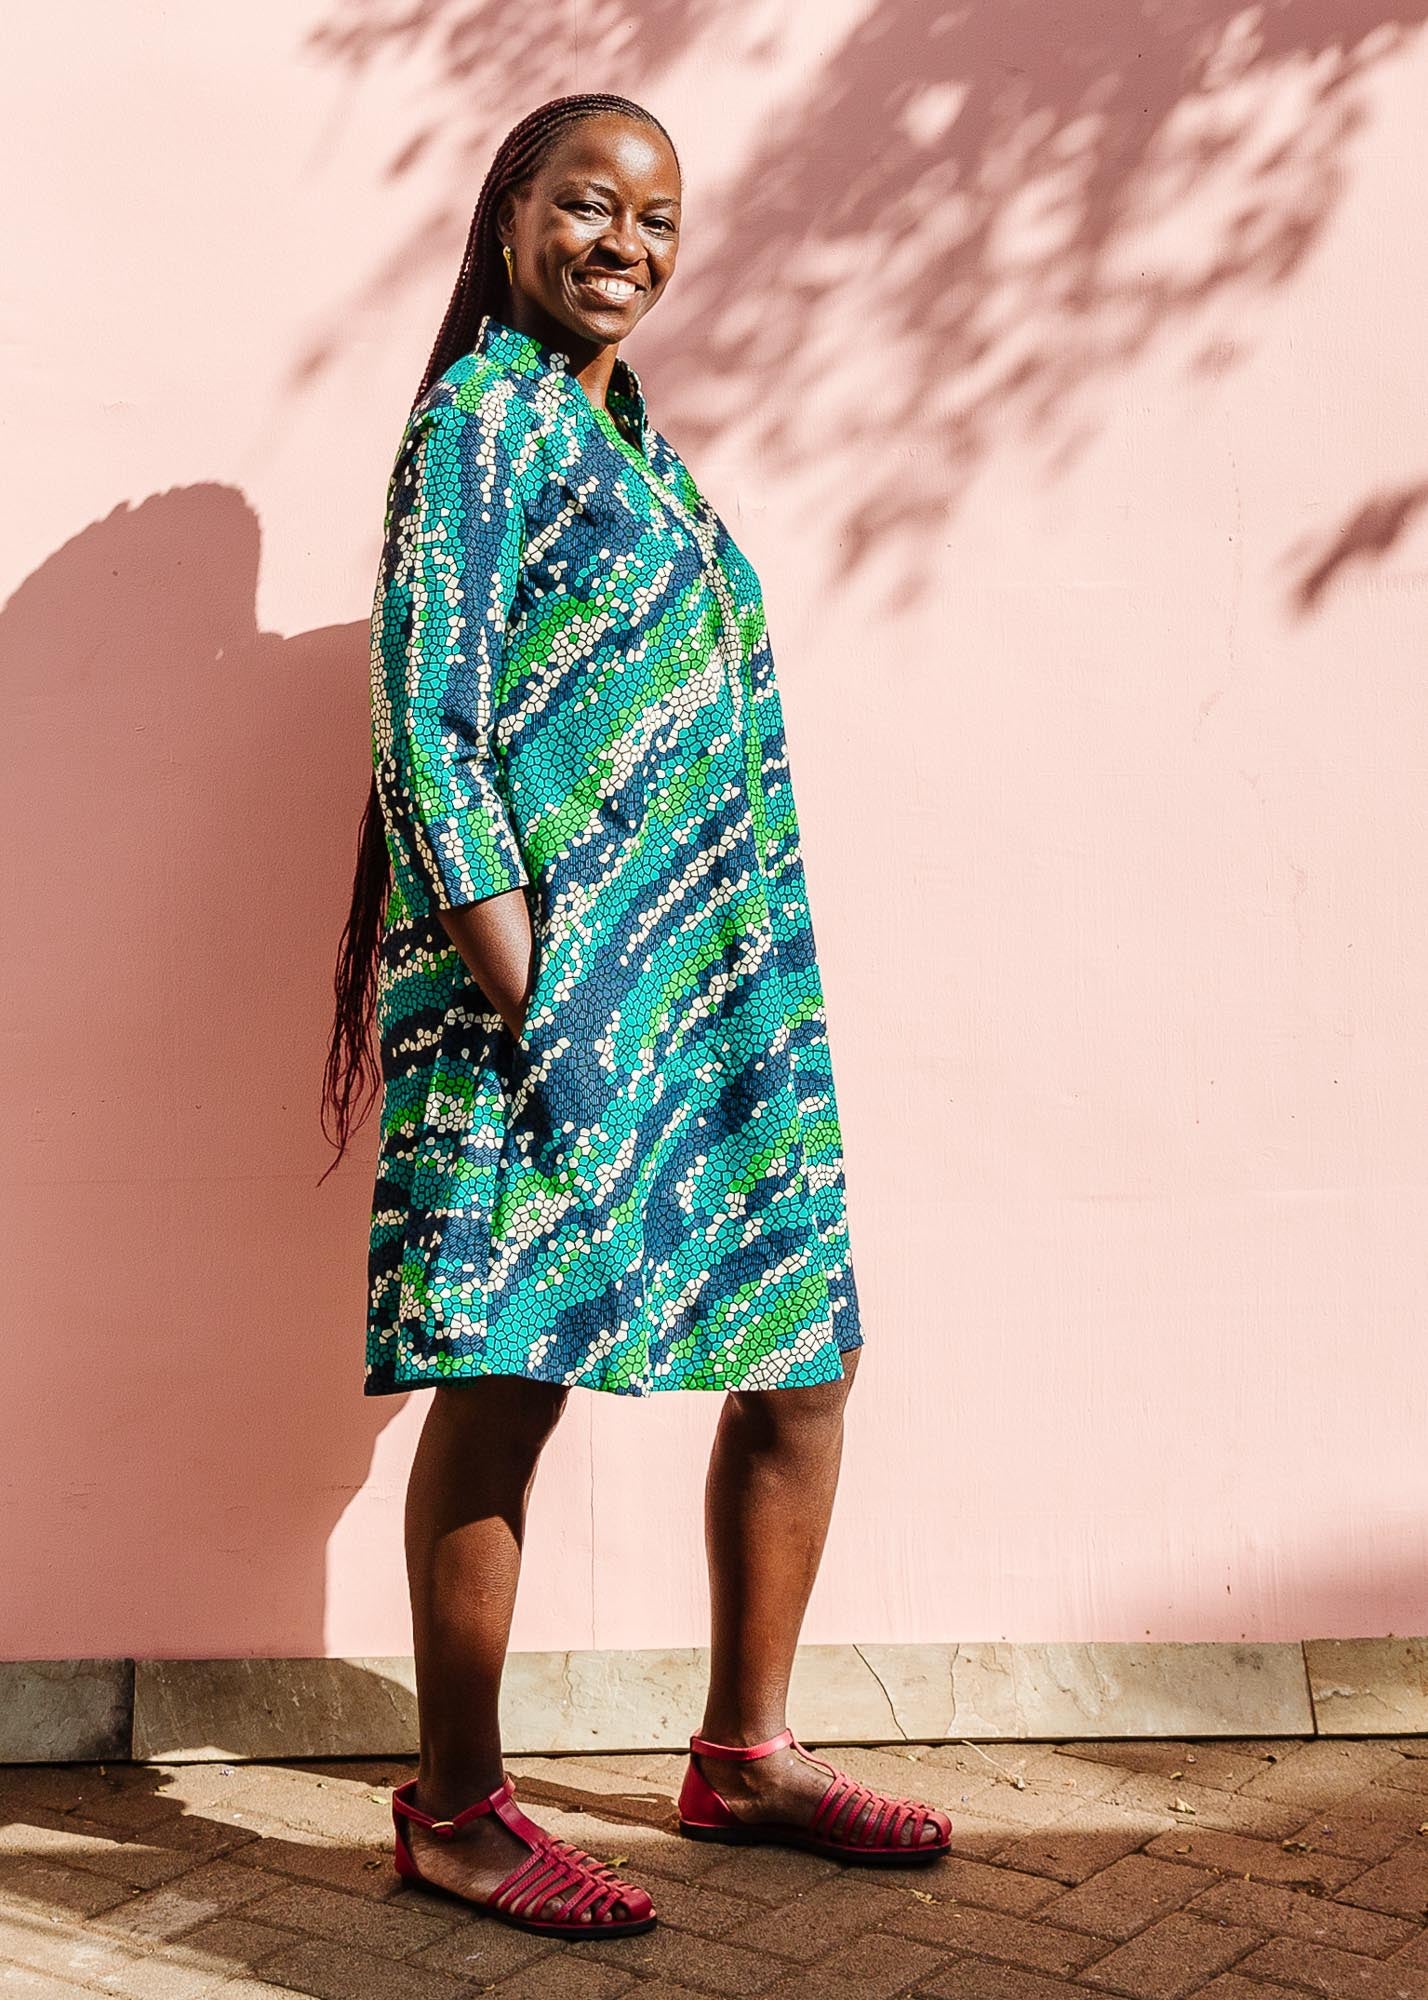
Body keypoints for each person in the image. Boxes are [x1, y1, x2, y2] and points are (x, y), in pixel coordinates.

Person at [322, 90, 950, 1939]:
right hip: (552, 1002)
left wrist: (703, 990)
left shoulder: (636, 442)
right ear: (512, 209)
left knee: (802, 1352)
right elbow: (425, 723)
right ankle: (454, 1812)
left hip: (721, 1000)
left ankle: (743, 1758)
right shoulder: (479, 423)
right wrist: (546, 997)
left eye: (660, 220)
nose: (628, 243)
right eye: (590, 203)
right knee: (506, 1373)